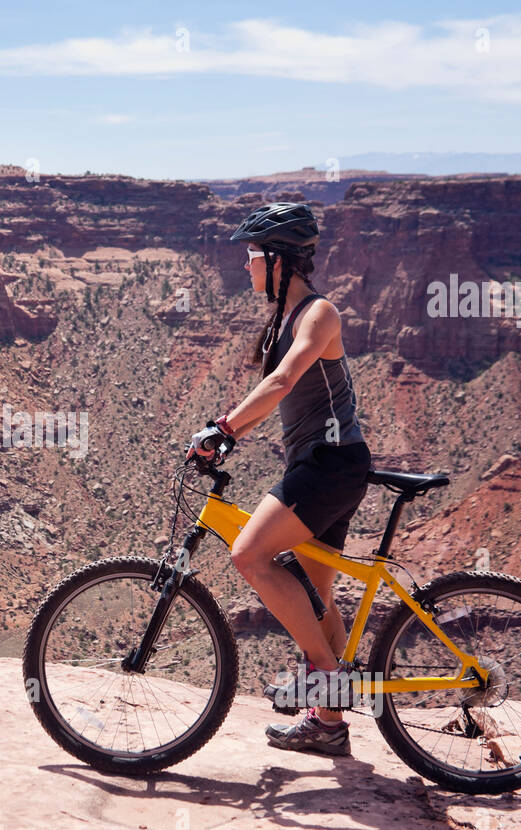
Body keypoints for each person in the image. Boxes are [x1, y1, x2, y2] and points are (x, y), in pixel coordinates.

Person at [187, 201, 371, 757]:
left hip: (331, 466)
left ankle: (320, 673)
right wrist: (229, 428)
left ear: (279, 259)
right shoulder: (285, 318)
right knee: (316, 596)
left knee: (248, 555)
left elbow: (285, 382)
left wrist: (225, 429)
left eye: (252, 256)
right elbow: (275, 394)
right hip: (321, 467)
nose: (246, 267)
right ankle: (330, 724)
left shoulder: (319, 314)